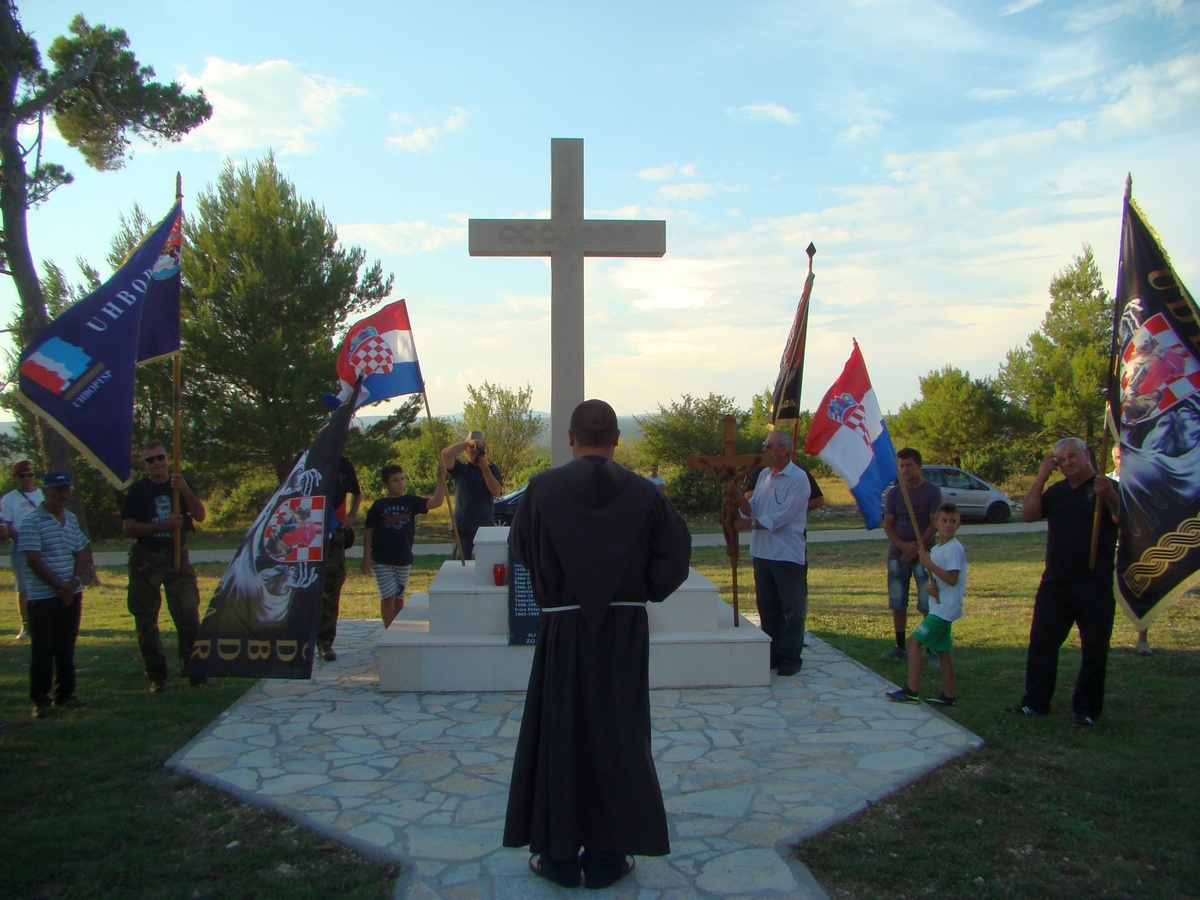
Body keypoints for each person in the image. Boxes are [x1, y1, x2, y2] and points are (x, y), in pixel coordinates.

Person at [504, 399, 691, 890]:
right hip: (622, 634)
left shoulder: (541, 490)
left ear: (570, 438)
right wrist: (635, 592)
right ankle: (609, 856)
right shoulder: (645, 494)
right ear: (616, 440)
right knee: (619, 735)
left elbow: (521, 549)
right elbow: (674, 558)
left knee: (559, 733)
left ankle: (559, 858)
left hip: (563, 632)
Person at [1007, 437, 1119, 727]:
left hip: (1093, 583)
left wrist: (1109, 497)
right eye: (1061, 460)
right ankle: (1035, 702)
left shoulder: (1106, 487)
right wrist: (1041, 477)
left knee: (1094, 649)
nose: (1067, 463)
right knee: (1042, 644)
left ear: (1087, 455)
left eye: (1072, 456)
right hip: (1055, 582)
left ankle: (1086, 709)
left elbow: (1126, 522)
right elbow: (1029, 514)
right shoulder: (1057, 491)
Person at [122, 440, 208, 692]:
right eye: (150, 460)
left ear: (167, 458)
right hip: (146, 558)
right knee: (146, 619)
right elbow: (128, 528)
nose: (156, 463)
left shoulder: (179, 483)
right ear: (144, 464)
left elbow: (201, 515)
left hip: (176, 557)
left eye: (160, 458)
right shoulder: (138, 490)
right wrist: (163, 526)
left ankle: (196, 672)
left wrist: (184, 491)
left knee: (188, 614)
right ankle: (157, 677)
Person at [737, 430, 816, 676]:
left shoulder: (799, 478)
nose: (765, 449)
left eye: (768, 445)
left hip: (786, 554)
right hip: (762, 552)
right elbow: (754, 508)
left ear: (783, 449)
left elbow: (784, 516)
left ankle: (791, 657)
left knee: (791, 608)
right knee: (767, 606)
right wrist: (736, 497)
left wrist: (749, 524)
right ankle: (772, 654)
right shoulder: (763, 476)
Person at [21, 470, 89, 719]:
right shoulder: (32, 521)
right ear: (46, 491)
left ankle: (66, 694)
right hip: (44, 596)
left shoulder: (69, 519)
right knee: (43, 648)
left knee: (66, 645)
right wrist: (59, 586)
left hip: (71, 593)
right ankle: (40, 700)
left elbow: (81, 549)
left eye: (66, 490)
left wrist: (74, 581)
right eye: (57, 490)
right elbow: (33, 558)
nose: (62, 495)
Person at [886, 502, 967, 707]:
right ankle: (949, 696)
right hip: (939, 606)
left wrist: (929, 564)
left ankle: (912, 690)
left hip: (944, 611)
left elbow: (952, 579)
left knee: (914, 642)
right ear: (936, 523)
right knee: (943, 651)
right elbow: (939, 582)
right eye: (944, 521)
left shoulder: (954, 549)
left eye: (952, 521)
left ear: (959, 524)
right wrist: (930, 588)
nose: (948, 525)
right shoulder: (939, 549)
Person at [362, 463, 446, 628]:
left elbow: (436, 502)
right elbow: (368, 531)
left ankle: (398, 629)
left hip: (403, 558)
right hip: (382, 559)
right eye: (395, 480)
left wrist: (440, 480)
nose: (400, 483)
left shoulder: (410, 501)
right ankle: (389, 630)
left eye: (402, 479)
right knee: (388, 597)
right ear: (386, 484)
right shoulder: (378, 505)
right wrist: (366, 557)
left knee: (399, 597)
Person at [881, 448, 941, 662]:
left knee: (928, 601)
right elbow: (888, 525)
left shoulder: (932, 491)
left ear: (919, 466)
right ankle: (899, 646)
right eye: (901, 466)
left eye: (909, 465)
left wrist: (915, 548)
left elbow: (934, 524)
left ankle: (930, 648)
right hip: (898, 555)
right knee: (897, 600)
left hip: (924, 554)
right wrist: (903, 547)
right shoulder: (895, 493)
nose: (905, 470)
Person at [317, 457, 361, 661]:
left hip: (334, 534)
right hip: (306, 533)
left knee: (331, 585)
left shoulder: (342, 463)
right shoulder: (305, 459)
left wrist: (352, 515)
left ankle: (325, 642)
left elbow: (357, 494)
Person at [1110, 445, 1152, 656]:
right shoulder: (1106, 481)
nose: (1122, 461)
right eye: (1118, 457)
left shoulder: (1144, 482)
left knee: (1141, 591)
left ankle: (1142, 639)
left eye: (1125, 457)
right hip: (1110, 544)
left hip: (1137, 544)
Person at [440, 430, 503, 560]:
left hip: (485, 525)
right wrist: (467, 442)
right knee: (460, 565)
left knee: (487, 564)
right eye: (472, 448)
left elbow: (496, 491)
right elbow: (445, 454)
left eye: (479, 448)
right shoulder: (460, 469)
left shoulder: (492, 469)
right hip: (462, 526)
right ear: (465, 450)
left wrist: (484, 467)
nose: (475, 451)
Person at [1, 460, 44, 641]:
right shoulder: (9, 499)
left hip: (44, 545)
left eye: (30, 475)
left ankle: (44, 621)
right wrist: (25, 541)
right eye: (22, 476)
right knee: (24, 586)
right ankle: (27, 624)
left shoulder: (43, 494)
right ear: (16, 478)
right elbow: (7, 526)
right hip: (21, 546)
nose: (27, 479)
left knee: (45, 583)